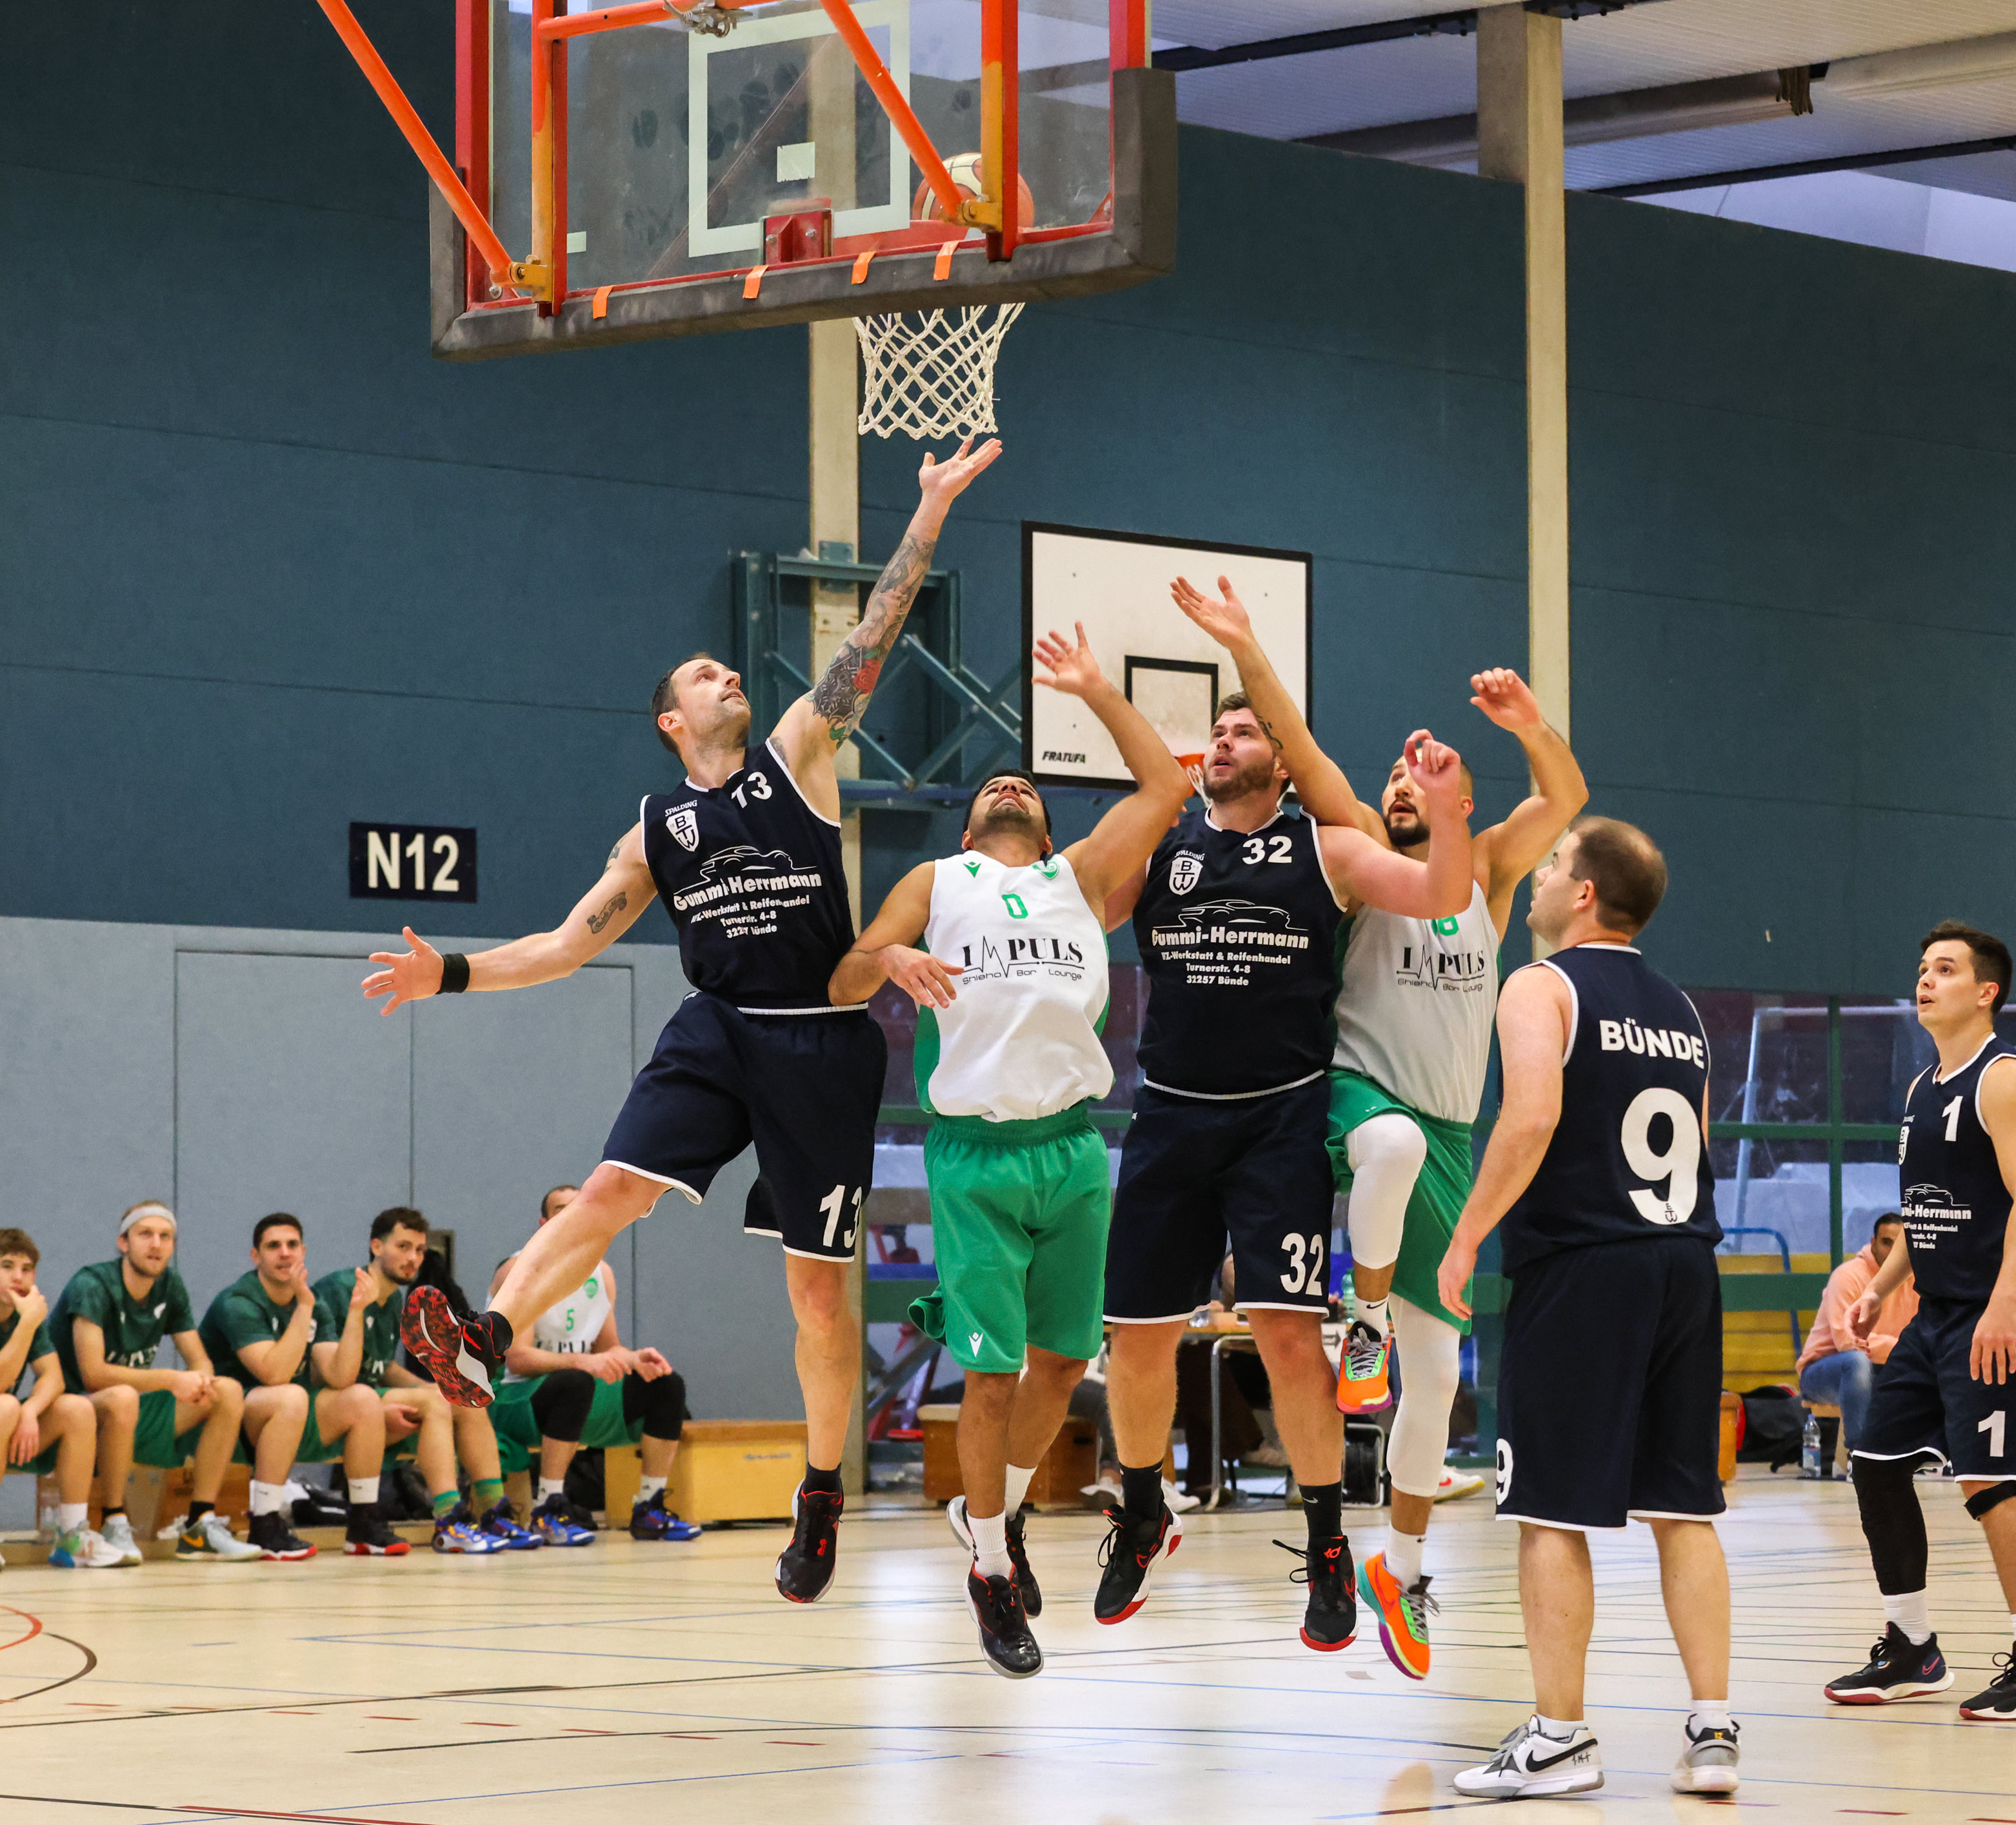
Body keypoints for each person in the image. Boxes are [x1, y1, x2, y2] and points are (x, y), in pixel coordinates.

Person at [366, 437, 1004, 1604]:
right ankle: (485, 1338)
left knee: (817, 1298)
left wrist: (928, 511)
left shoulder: (798, 750)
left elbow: (877, 630)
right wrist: (445, 971)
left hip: (821, 1036)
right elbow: (565, 944)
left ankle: (820, 1489)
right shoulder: (655, 829)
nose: (726, 677)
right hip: (717, 1027)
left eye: (727, 670)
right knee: (610, 1187)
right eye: (705, 674)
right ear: (670, 719)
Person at [1183, 571, 1590, 1680]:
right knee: (1392, 1149)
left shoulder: (1485, 870)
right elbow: (1302, 749)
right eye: (1393, 778)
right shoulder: (1358, 852)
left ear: (1453, 798)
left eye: (1422, 778)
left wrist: (1525, 722)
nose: (1401, 788)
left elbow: (1566, 793)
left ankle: (1400, 1564)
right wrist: (1246, 647)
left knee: (1441, 1374)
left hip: (1453, 1133)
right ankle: (1356, 1317)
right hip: (1357, 1099)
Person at [1090, 615, 1475, 1645]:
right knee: (1137, 1337)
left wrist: (1444, 809)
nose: (1223, 740)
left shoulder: (1328, 847)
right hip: (1170, 1114)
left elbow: (1443, 890)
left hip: (1278, 1118)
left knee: (1290, 1341)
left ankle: (1327, 1543)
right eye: (1215, 731)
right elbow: (1077, 904)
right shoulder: (1164, 849)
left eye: (1244, 730)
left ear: (1282, 760)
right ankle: (1142, 1510)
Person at [829, 621, 1189, 1677]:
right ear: (969, 819)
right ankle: (990, 1568)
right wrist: (890, 955)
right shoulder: (937, 882)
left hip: (1072, 1148)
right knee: (989, 1374)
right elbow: (845, 976)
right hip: (975, 1154)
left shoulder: (1082, 877)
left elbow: (1166, 784)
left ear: (1045, 819)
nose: (1010, 784)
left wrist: (1096, 688)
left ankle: (1001, 1512)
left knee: (1063, 1361)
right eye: (995, 784)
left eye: (1026, 783)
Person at [1433, 818, 1739, 1799]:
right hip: (1684, 1261)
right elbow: (1699, 1137)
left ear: (1585, 895)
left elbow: (1530, 1115)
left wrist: (1467, 1234)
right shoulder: (1682, 1010)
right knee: (1682, 1508)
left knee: (1546, 1511)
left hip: (1583, 1267)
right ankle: (1712, 1730)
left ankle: (1560, 1738)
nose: (1537, 877)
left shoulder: (1540, 984)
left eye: (1554, 863)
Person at [1823, 922, 2016, 1722]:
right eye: (1921, 968)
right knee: (1874, 1463)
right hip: (1936, 1313)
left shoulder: (2004, 1079)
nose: (1924, 980)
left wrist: (2003, 1301)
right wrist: (1881, 1287)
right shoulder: (1920, 1089)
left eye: (1944, 969)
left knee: (1986, 1480)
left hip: (2003, 1311)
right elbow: (1924, 1210)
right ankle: (1911, 1647)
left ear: (1985, 992)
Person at [486, 1184, 702, 1546]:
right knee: (575, 1381)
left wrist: (632, 1358)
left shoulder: (602, 1273)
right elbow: (519, 1359)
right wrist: (583, 1362)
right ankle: (547, 1508)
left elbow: (608, 1348)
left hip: (573, 1391)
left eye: (579, 1209)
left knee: (665, 1384)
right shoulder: (518, 1271)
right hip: (511, 1399)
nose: (573, 1217)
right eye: (561, 1211)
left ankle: (649, 1506)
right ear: (544, 1224)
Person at [54, 1201, 260, 1563]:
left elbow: (199, 1358)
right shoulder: (92, 1285)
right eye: (145, 1234)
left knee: (226, 1390)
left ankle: (200, 1524)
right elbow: (93, 1375)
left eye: (165, 1237)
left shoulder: (169, 1285)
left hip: (131, 1411)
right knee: (121, 1397)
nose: (156, 1244)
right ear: (124, 1242)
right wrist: (169, 1379)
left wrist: (201, 1380)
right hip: (76, 1412)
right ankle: (113, 1520)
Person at [0, 1227, 132, 1569]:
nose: (18, 1277)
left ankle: (72, 1536)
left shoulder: (27, 1317)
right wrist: (28, 1324)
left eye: (27, 1269)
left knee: (77, 1408)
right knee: (3, 1404)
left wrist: (31, 1411)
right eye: (7, 1267)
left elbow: (54, 1377)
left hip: (1, 1419)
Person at [314, 1208, 517, 1555]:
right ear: (376, 1247)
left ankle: (494, 1513)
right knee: (436, 1401)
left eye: (420, 1250)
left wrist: (433, 1387)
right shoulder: (340, 1289)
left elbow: (383, 1367)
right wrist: (427, 1397)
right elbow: (333, 1376)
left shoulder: (394, 1298)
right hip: (331, 1404)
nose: (413, 1258)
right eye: (403, 1247)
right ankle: (449, 1519)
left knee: (462, 1396)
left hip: (372, 1399)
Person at [195, 1212, 384, 1562]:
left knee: (362, 1398)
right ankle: (264, 1521)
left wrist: (357, 1312)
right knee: (290, 1395)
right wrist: (304, 1308)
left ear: (303, 1252)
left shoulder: (312, 1302)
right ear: (256, 1256)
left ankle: (364, 1521)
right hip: (225, 1417)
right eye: (273, 1246)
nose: (285, 1253)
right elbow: (273, 1374)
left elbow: (340, 1376)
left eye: (292, 1245)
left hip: (285, 1414)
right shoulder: (239, 1301)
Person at [1797, 1216, 1919, 1463]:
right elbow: (1848, 1341)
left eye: (1898, 1245)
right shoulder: (1847, 1276)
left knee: (1938, 1362)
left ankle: (1928, 1453)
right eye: (1886, 1242)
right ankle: (1861, 1456)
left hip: (1883, 1368)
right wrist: (1905, 1348)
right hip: (1823, 1372)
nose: (1891, 1251)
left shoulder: (1919, 1282)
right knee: (1857, 1362)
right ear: (1873, 1243)